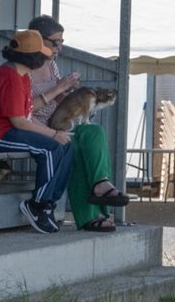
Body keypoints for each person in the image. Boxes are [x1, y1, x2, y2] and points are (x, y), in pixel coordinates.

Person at [25, 14, 133, 232]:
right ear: (38, 40)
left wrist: (69, 92)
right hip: (35, 126)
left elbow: (57, 100)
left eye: (61, 42)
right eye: (55, 42)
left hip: (59, 121)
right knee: (73, 148)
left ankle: (101, 183)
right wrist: (58, 88)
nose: (59, 48)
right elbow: (22, 110)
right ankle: (91, 215)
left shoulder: (51, 65)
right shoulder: (23, 69)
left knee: (94, 133)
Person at [0, 28, 79, 234]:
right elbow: (19, 121)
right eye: (41, 55)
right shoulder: (9, 77)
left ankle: (49, 203)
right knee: (50, 148)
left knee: (64, 146)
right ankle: (37, 205)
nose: (44, 60)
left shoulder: (22, 75)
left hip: (8, 130)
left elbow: (26, 114)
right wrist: (53, 134)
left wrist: (57, 136)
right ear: (31, 57)